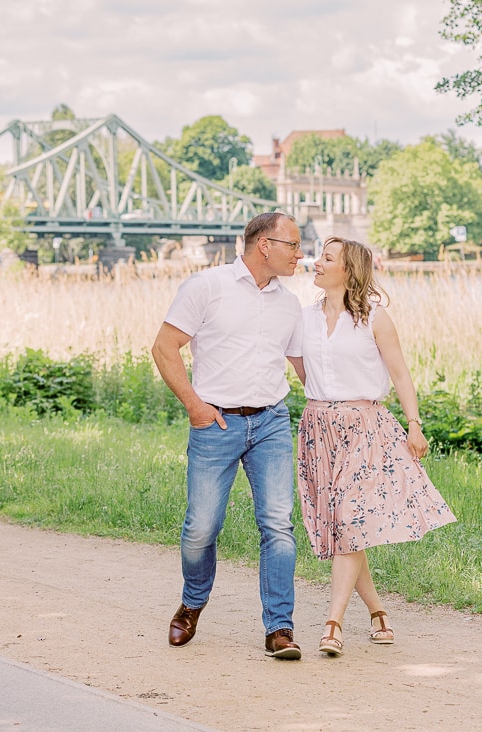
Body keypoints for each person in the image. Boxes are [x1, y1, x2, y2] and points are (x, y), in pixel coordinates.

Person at [151, 212, 307, 660]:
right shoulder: (207, 287)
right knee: (201, 528)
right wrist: (195, 407)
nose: (300, 254)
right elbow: (164, 348)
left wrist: (351, 406)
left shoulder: (289, 305)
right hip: (216, 423)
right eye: (293, 245)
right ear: (264, 244)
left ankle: (279, 628)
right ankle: (192, 603)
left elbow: (302, 369)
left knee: (278, 525)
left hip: (272, 423)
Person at [296, 236, 456, 657]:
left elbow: (401, 375)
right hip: (318, 430)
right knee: (348, 528)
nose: (316, 262)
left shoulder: (374, 318)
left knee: (349, 519)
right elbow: (300, 366)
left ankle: (333, 623)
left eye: (327, 258)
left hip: (365, 429)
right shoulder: (303, 319)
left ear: (348, 271)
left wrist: (414, 426)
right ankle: (378, 612)